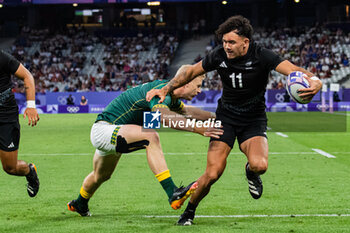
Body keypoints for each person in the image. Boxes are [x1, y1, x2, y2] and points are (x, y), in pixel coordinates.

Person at [146, 15, 323, 225]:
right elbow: (191, 71)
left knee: (260, 165)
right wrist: (166, 88)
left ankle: (250, 172)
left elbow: (295, 71)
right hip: (226, 118)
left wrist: (316, 81)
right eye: (224, 42)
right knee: (212, 174)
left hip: (253, 119)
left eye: (231, 42)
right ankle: (189, 212)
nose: (226, 46)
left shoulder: (263, 55)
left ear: (245, 42)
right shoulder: (218, 55)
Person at [67, 65, 223, 217]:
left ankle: (80, 203)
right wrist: (197, 129)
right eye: (198, 85)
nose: (200, 90)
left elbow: (188, 111)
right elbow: (162, 117)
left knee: (100, 176)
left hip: (112, 131)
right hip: (105, 130)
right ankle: (172, 193)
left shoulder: (170, 96)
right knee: (150, 136)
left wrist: (219, 117)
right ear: (186, 82)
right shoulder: (161, 93)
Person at [0, 50, 40, 197]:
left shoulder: (2, 57)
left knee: (10, 167)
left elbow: (27, 76)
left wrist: (31, 106)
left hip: (5, 118)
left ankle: (30, 171)